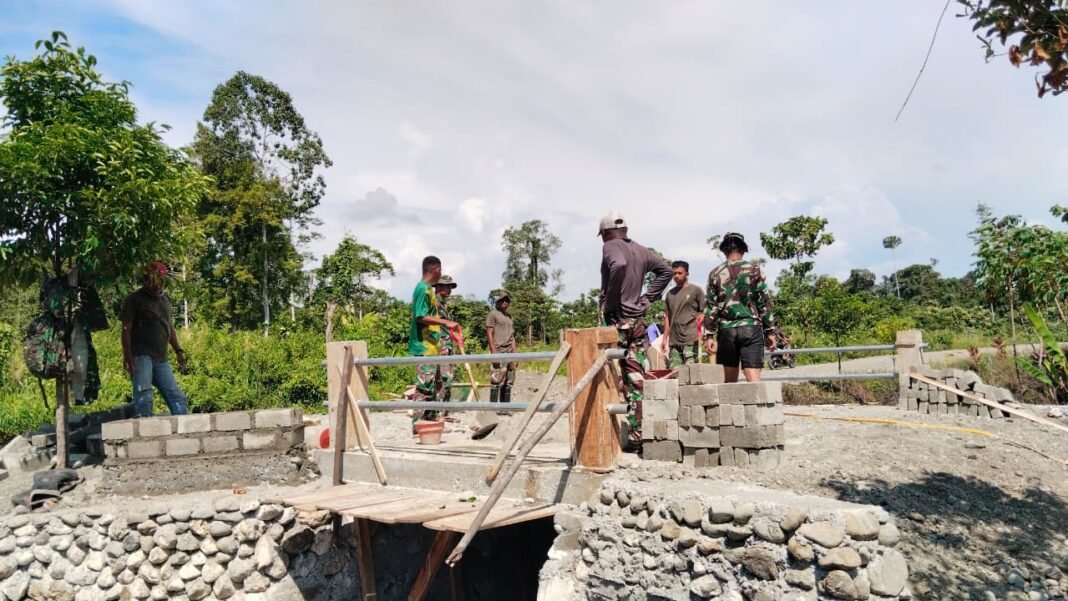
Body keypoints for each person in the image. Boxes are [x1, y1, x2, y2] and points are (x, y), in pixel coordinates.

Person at [598, 212, 672, 447]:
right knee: (635, 376)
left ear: (606, 232)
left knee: (607, 374)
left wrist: (612, 302)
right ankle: (637, 434)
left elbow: (618, 265)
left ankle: (606, 436)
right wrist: (647, 298)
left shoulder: (610, 246)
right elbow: (666, 271)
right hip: (637, 321)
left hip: (617, 322)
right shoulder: (640, 250)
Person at [703, 233, 777, 383]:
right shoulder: (754, 270)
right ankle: (755, 399)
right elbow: (764, 303)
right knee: (754, 380)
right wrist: (770, 332)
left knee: (729, 383)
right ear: (743, 250)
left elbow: (711, 307)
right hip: (750, 327)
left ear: (724, 251)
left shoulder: (715, 274)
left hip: (726, 331)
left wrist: (709, 335)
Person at [120, 262, 190, 417]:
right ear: (146, 280)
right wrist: (127, 356)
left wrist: (178, 351)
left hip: (160, 357)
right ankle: (144, 427)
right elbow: (126, 330)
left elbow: (169, 327)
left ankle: (183, 425)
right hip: (141, 354)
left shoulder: (165, 300)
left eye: (160, 282)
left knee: (176, 396)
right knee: (144, 393)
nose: (157, 286)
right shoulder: (135, 299)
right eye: (152, 282)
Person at [409, 256, 460, 422]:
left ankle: (430, 422)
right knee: (425, 386)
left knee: (433, 386)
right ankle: (419, 423)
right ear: (436, 269)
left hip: (433, 346)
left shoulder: (428, 290)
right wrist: (446, 322)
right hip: (425, 347)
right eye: (441, 270)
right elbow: (420, 316)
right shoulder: (422, 289)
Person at [661, 260, 706, 367]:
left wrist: (702, 318)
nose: (676, 276)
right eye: (674, 273)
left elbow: (704, 312)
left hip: (690, 338)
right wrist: (664, 338)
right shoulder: (670, 294)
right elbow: (667, 317)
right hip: (674, 340)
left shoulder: (696, 290)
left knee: (690, 369)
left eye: (680, 273)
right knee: (675, 371)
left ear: (687, 273)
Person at [486, 289, 516, 403]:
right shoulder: (493, 314)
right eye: (502, 300)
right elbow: (489, 333)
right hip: (498, 351)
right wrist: (493, 351)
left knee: (509, 381)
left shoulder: (509, 317)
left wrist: (515, 354)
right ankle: (493, 408)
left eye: (507, 300)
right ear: (497, 301)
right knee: (496, 380)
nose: (505, 302)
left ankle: (505, 408)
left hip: (509, 353)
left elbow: (512, 336)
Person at [434, 275, 459, 402]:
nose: (450, 290)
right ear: (438, 287)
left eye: (450, 287)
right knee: (444, 378)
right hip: (440, 345)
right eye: (447, 287)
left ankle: (445, 407)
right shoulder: (434, 303)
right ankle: (441, 408)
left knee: (448, 377)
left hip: (447, 344)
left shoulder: (444, 305)